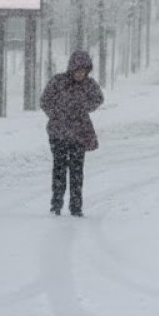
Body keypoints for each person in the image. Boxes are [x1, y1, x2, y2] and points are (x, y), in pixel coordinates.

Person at [40, 50, 103, 217]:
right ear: (72, 69)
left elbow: (98, 99)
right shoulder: (58, 82)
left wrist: (84, 107)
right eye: (78, 70)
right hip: (58, 133)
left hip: (79, 133)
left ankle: (76, 206)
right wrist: (56, 113)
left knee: (77, 171)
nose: (80, 74)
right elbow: (45, 100)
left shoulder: (89, 85)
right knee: (59, 169)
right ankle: (56, 204)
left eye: (84, 71)